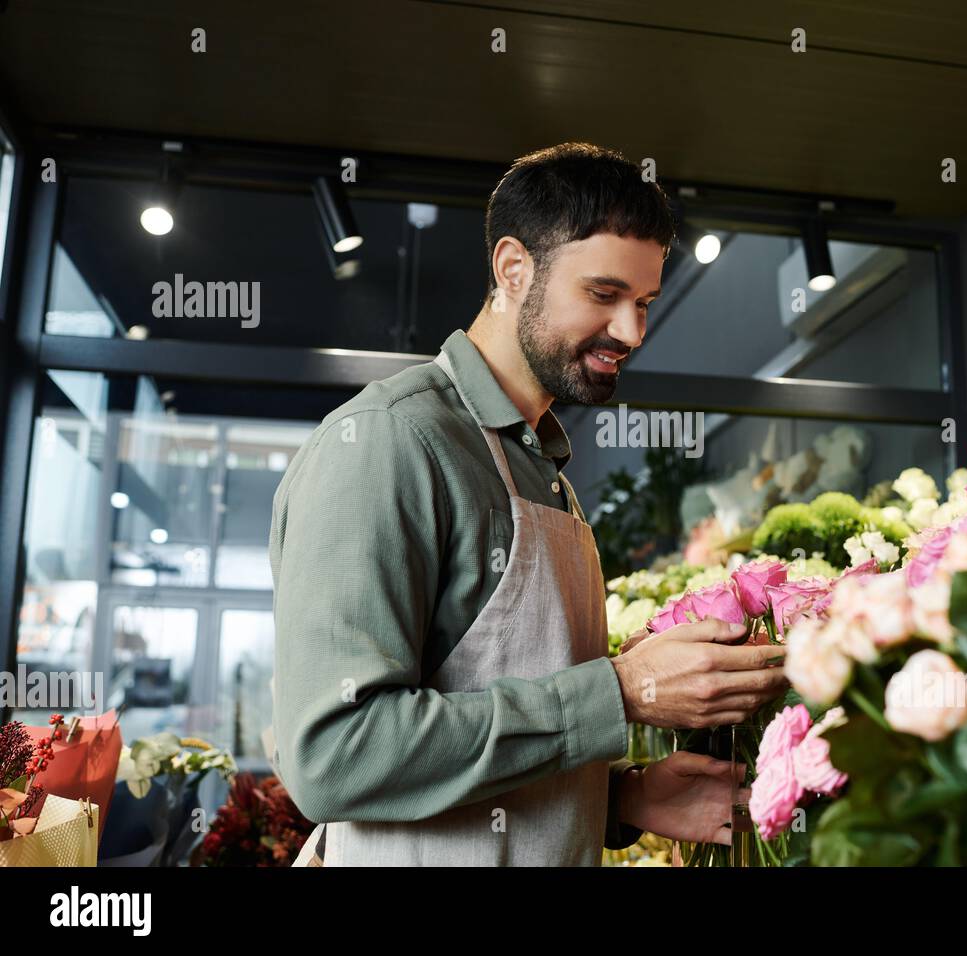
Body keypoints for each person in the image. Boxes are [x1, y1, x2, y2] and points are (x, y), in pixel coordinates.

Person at [270, 142, 788, 866]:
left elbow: (485, 721)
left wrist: (626, 799)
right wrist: (623, 689)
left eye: (642, 304)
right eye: (604, 296)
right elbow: (334, 758)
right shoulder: (390, 443)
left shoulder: (542, 466)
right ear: (514, 269)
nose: (632, 333)